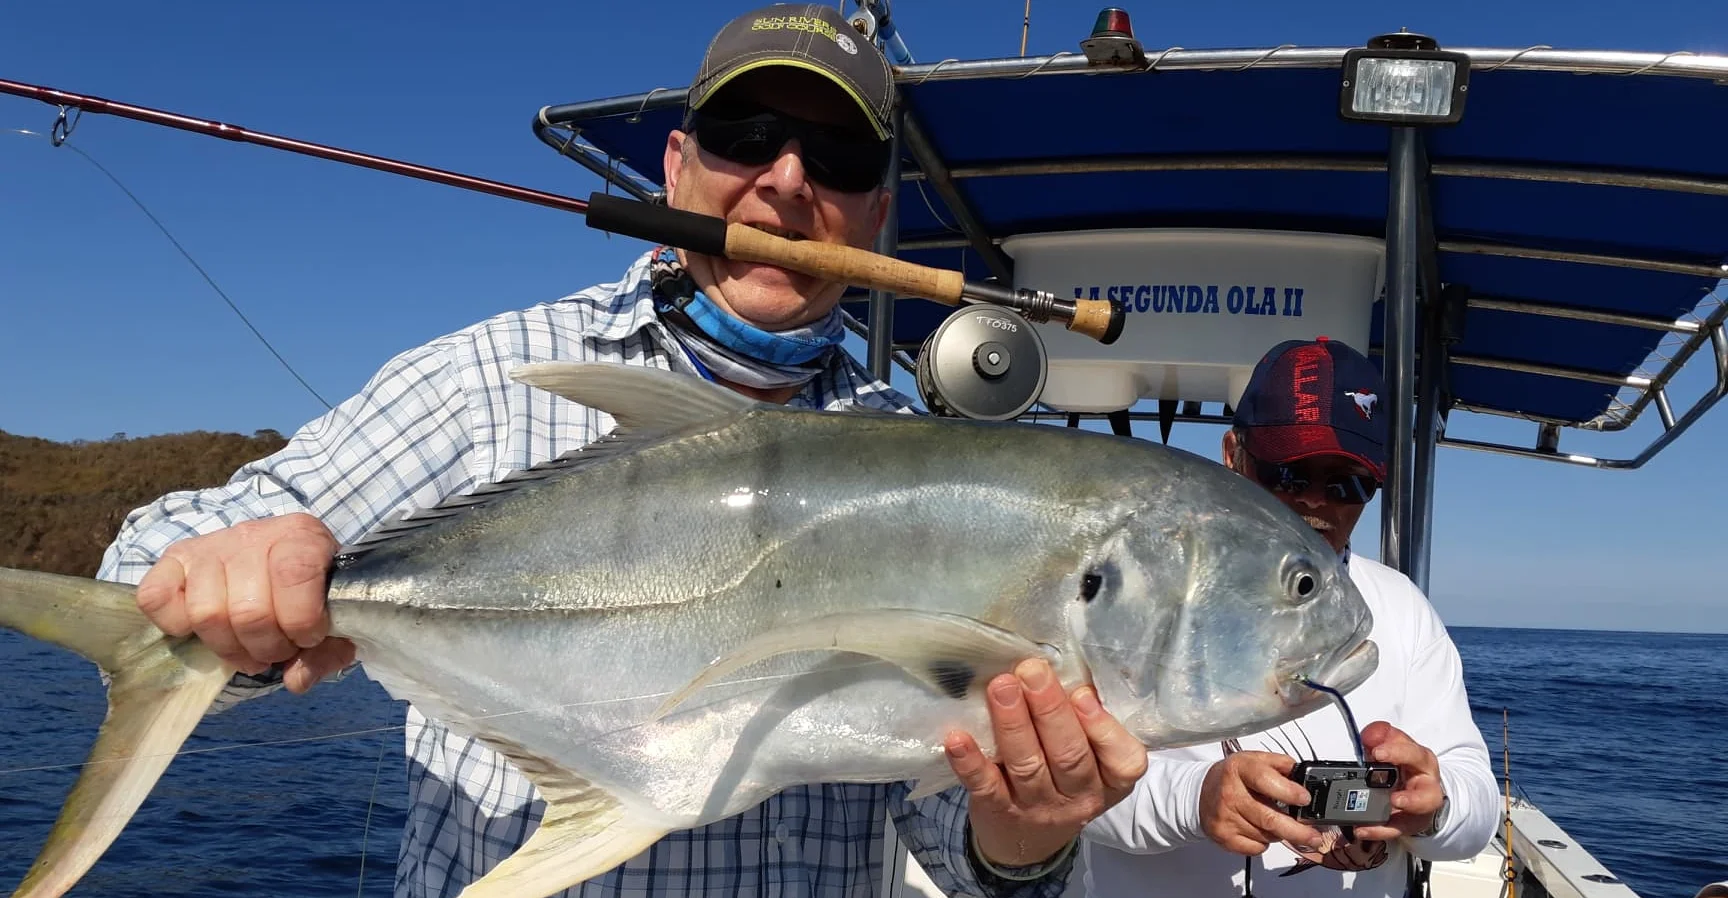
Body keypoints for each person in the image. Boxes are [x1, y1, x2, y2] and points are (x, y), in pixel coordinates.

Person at [96, 5, 1146, 897]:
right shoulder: (490, 383)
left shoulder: (922, 464)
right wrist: (237, 581)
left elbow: (938, 839)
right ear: (677, 165)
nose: (785, 183)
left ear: (875, 216)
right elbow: (147, 562)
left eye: (837, 159)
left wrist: (1022, 844)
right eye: (747, 135)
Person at [1078, 337, 1500, 897]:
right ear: (1233, 455)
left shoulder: (1402, 611)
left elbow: (1476, 795)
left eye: (1349, 484)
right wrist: (1195, 800)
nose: (1316, 502)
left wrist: (1433, 808)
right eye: (1288, 473)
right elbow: (1065, 786)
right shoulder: (1126, 585)